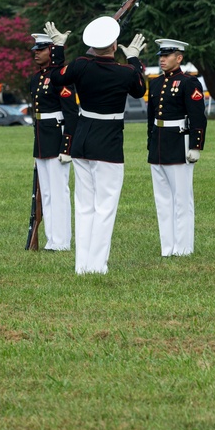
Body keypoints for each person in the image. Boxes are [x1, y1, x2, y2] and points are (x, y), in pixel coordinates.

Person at [46, 18, 147, 274]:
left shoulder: (81, 65)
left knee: (84, 206)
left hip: (82, 141)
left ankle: (82, 265)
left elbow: (56, 77)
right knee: (105, 207)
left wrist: (58, 48)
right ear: (115, 45)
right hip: (108, 145)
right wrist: (134, 58)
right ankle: (97, 265)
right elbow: (139, 89)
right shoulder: (125, 72)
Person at [147, 38, 207, 257]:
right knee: (162, 200)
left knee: (181, 199)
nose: (162, 60)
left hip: (179, 141)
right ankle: (167, 247)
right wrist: (150, 143)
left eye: (167, 56)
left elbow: (198, 116)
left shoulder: (189, 82)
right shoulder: (154, 82)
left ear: (179, 58)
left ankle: (182, 248)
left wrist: (196, 145)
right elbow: (150, 117)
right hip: (159, 143)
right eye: (161, 56)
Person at [29, 31, 79, 251]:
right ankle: (52, 239)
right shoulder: (36, 78)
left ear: (52, 51)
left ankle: (62, 241)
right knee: (47, 193)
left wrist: (67, 145)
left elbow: (70, 113)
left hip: (58, 136)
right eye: (35, 50)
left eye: (41, 50)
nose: (36, 54)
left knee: (59, 192)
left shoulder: (61, 76)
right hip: (42, 138)